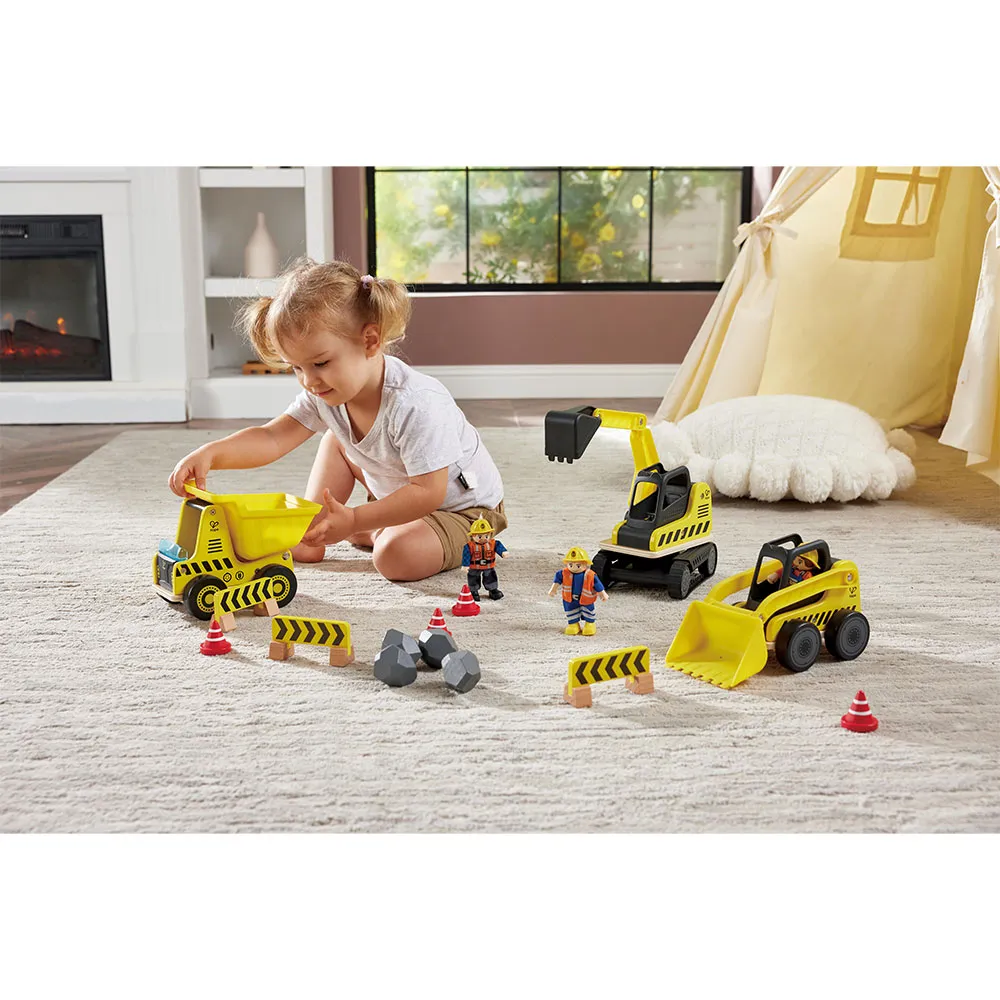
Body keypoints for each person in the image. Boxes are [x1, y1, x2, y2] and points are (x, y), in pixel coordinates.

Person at [167, 259, 506, 583]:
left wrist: (356, 519)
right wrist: (212, 454)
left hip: (462, 511)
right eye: (296, 368)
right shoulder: (326, 393)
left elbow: (429, 493)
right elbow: (273, 437)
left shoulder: (415, 403)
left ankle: (373, 528)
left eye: (321, 363)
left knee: (394, 555)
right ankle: (320, 525)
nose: (308, 381)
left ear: (369, 341)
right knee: (335, 439)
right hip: (398, 493)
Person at [548, 546, 609, 635]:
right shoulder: (563, 573)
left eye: (578, 565)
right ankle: (573, 624)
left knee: (588, 611)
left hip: (586, 599)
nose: (574, 568)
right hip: (570, 599)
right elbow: (557, 581)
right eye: (570, 565)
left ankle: (590, 624)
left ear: (585, 564)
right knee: (571, 611)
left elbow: (598, 585)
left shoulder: (590, 575)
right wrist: (553, 589)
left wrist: (603, 594)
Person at [461, 517, 508, 601]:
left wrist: (503, 552)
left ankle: (493, 590)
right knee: (473, 578)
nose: (483, 539)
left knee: (491, 577)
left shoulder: (493, 543)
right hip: (474, 567)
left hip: (488, 566)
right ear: (473, 536)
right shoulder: (469, 546)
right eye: (479, 536)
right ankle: (473, 591)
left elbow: (498, 546)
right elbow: (466, 555)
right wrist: (465, 565)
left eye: (486, 536)